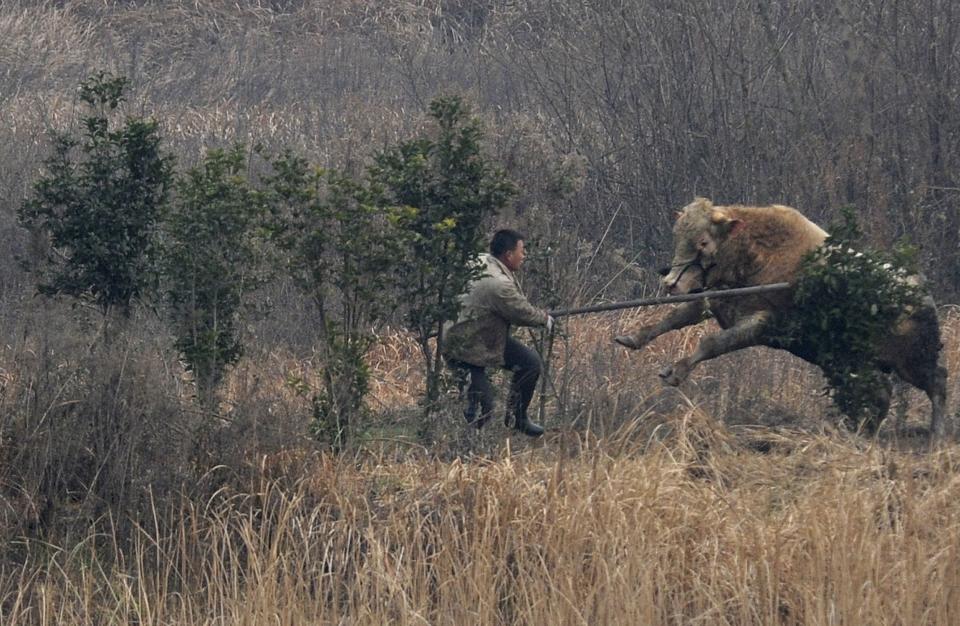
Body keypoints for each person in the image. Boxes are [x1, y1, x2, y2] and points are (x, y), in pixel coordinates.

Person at [442, 229, 555, 437]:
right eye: (522, 251)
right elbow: (520, 311)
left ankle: (516, 417)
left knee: (529, 363)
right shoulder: (498, 284)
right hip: (466, 346)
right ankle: (465, 446)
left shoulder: (481, 260)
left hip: (483, 336)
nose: (525, 255)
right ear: (508, 254)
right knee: (483, 404)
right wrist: (544, 319)